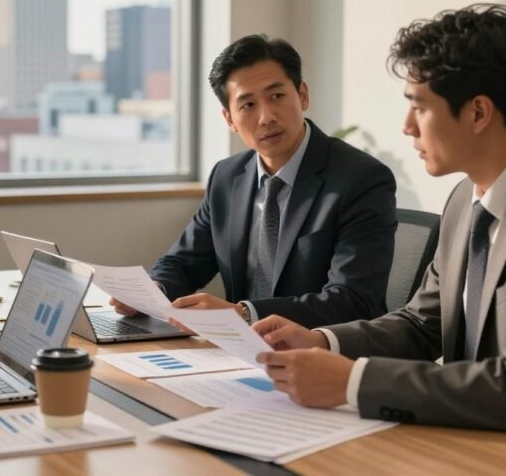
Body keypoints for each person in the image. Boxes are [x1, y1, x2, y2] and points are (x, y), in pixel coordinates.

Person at [253, 4, 506, 457]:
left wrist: (352, 382)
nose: (406, 127)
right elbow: (422, 324)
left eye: (418, 107)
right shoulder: (466, 198)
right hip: (478, 441)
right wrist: (325, 340)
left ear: (479, 113)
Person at [114, 35, 397, 328]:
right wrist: (152, 292)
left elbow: (352, 300)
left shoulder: (360, 179)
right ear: (229, 119)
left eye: (276, 96)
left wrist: (245, 314)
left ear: (302, 95)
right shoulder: (227, 177)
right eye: (248, 105)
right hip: (241, 355)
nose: (266, 117)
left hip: (321, 356)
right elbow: (183, 262)